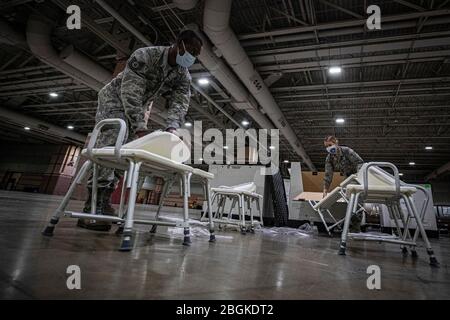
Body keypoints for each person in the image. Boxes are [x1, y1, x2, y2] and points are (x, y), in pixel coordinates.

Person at [77, 30, 203, 231]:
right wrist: (140, 127)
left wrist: (172, 127)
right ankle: (92, 207)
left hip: (140, 105)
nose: (192, 57)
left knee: (125, 154)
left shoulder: (182, 73)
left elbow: (180, 102)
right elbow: (130, 94)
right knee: (111, 146)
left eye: (196, 55)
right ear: (178, 44)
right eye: (191, 51)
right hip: (114, 100)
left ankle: (104, 199)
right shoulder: (145, 56)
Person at [322, 135, 364, 232]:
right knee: (349, 201)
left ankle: (356, 228)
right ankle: (350, 224)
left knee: (357, 201)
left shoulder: (347, 151)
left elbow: (360, 163)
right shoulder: (329, 158)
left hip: (357, 176)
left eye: (330, 145)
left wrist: (358, 178)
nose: (328, 148)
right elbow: (328, 175)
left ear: (336, 143)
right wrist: (325, 191)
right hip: (348, 177)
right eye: (326, 147)